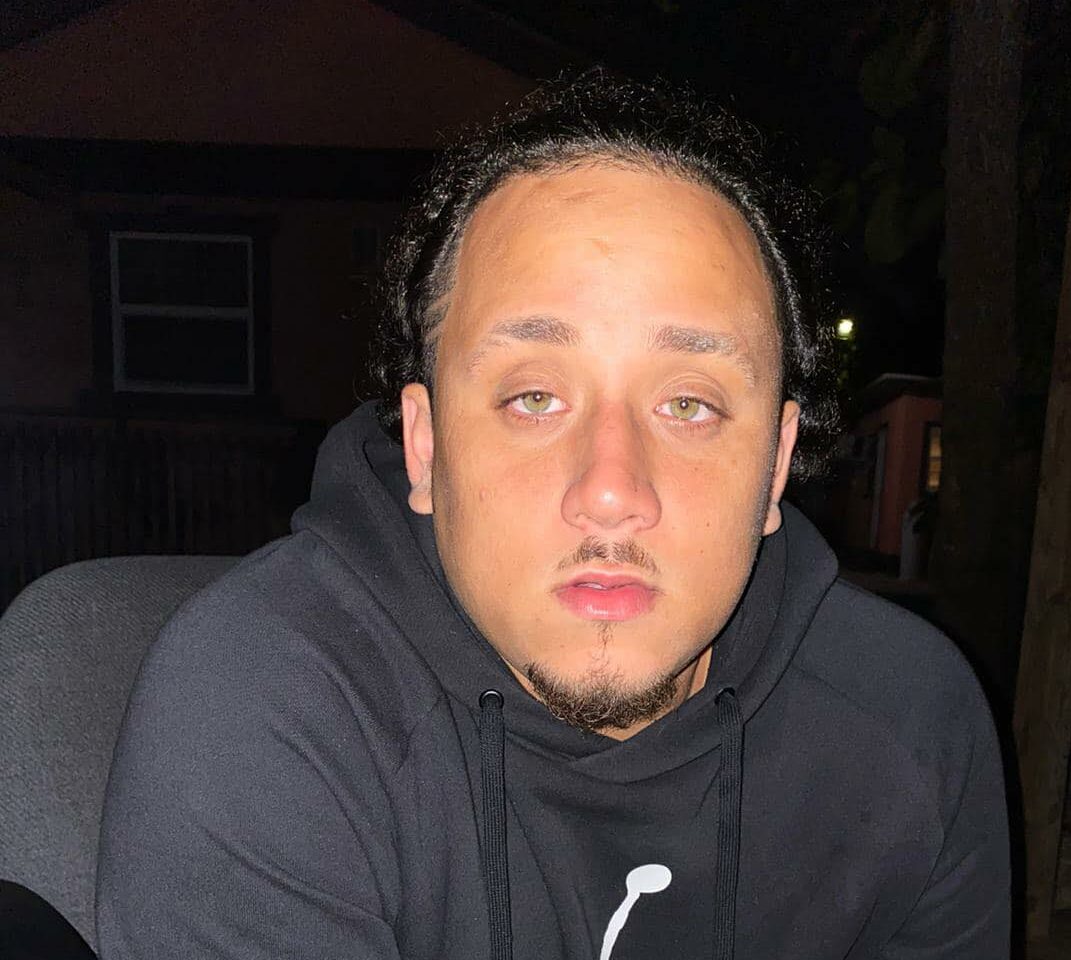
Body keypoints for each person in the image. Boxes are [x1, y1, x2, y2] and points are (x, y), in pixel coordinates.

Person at [96, 73, 1010, 959]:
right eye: (533, 397)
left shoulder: (911, 725)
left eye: (688, 404)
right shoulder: (263, 713)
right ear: (425, 446)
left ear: (775, 463)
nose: (610, 491)